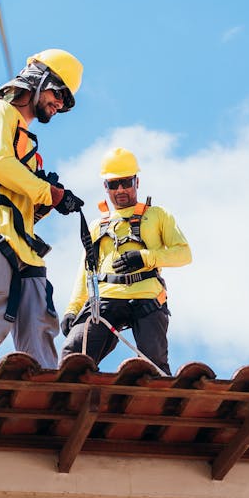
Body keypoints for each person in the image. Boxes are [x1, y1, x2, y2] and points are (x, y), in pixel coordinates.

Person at [0, 49, 84, 367]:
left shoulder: (27, 145)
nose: (59, 106)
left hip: (22, 245)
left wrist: (50, 200)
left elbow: (22, 201)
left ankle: (45, 405)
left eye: (65, 103)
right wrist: (45, 191)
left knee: (40, 328)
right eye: (58, 95)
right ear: (38, 81)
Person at [60, 147, 191, 375]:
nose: (120, 189)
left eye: (126, 182)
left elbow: (183, 254)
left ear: (136, 182)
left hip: (148, 298)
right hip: (107, 298)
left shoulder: (158, 215)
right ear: (106, 187)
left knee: (154, 368)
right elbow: (86, 271)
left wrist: (145, 257)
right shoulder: (97, 226)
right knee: (73, 356)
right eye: (113, 184)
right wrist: (72, 309)